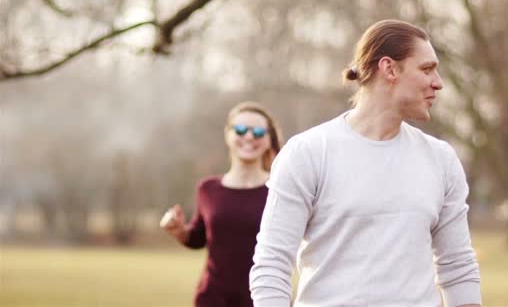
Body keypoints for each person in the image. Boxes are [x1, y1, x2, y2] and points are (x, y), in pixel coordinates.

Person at [250, 20, 482, 307]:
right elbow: (272, 265)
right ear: (389, 68)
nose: (438, 82)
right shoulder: (307, 153)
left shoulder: (441, 159)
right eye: (426, 69)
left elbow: (457, 267)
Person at [161, 101, 282, 307]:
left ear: (269, 139)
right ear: (228, 134)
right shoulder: (207, 189)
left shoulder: (280, 189)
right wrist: (180, 231)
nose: (250, 137)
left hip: (264, 300)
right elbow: (199, 238)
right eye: (241, 129)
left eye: (259, 131)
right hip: (213, 299)